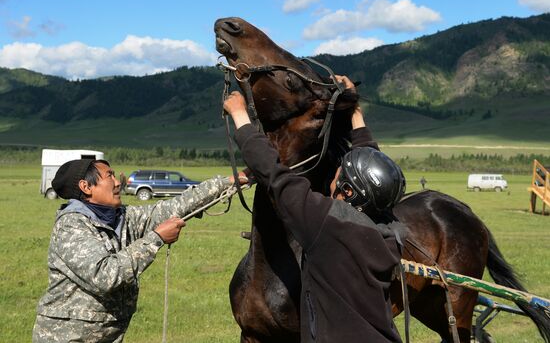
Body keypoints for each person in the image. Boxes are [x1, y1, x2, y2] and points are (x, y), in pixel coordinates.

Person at [224, 75, 406, 343]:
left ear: (347, 191)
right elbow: (375, 173)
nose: (334, 175)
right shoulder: (390, 232)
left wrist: (241, 118)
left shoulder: (327, 226)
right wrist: (355, 111)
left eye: (339, 173)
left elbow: (275, 176)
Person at [32, 159, 241, 342]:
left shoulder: (122, 217)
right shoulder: (72, 225)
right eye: (109, 176)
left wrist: (231, 181)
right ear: (86, 187)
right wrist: (156, 239)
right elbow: (105, 275)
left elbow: (173, 207)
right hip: (67, 338)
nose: (117, 182)